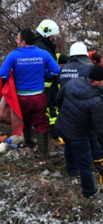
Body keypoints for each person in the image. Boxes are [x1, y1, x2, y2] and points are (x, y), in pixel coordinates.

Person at [59, 42, 103, 185]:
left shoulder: (64, 70)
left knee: (68, 142)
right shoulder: (90, 69)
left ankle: (72, 171)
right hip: (85, 114)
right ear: (85, 54)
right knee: (94, 143)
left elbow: (57, 96)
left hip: (67, 115)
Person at [55, 65, 103, 198]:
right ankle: (89, 193)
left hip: (61, 127)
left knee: (69, 147)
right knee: (85, 163)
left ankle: (71, 170)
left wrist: (65, 116)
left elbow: (58, 99)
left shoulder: (73, 82)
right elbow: (99, 127)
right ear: (96, 81)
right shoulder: (96, 102)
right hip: (77, 135)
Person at [0, 28, 60, 158]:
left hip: (21, 97)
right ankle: (44, 153)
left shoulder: (13, 55)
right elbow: (55, 70)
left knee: (25, 120)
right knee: (41, 122)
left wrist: (12, 80)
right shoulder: (43, 53)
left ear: (23, 42)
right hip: (38, 96)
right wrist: (45, 75)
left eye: (17, 38)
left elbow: (3, 74)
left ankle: (29, 143)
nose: (16, 40)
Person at [34, 19, 69, 139]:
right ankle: (55, 135)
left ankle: (56, 132)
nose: (53, 38)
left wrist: (63, 58)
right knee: (51, 110)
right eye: (52, 36)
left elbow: (51, 58)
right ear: (46, 35)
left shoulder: (43, 45)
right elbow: (46, 65)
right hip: (46, 85)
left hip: (49, 84)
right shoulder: (41, 47)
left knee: (53, 108)